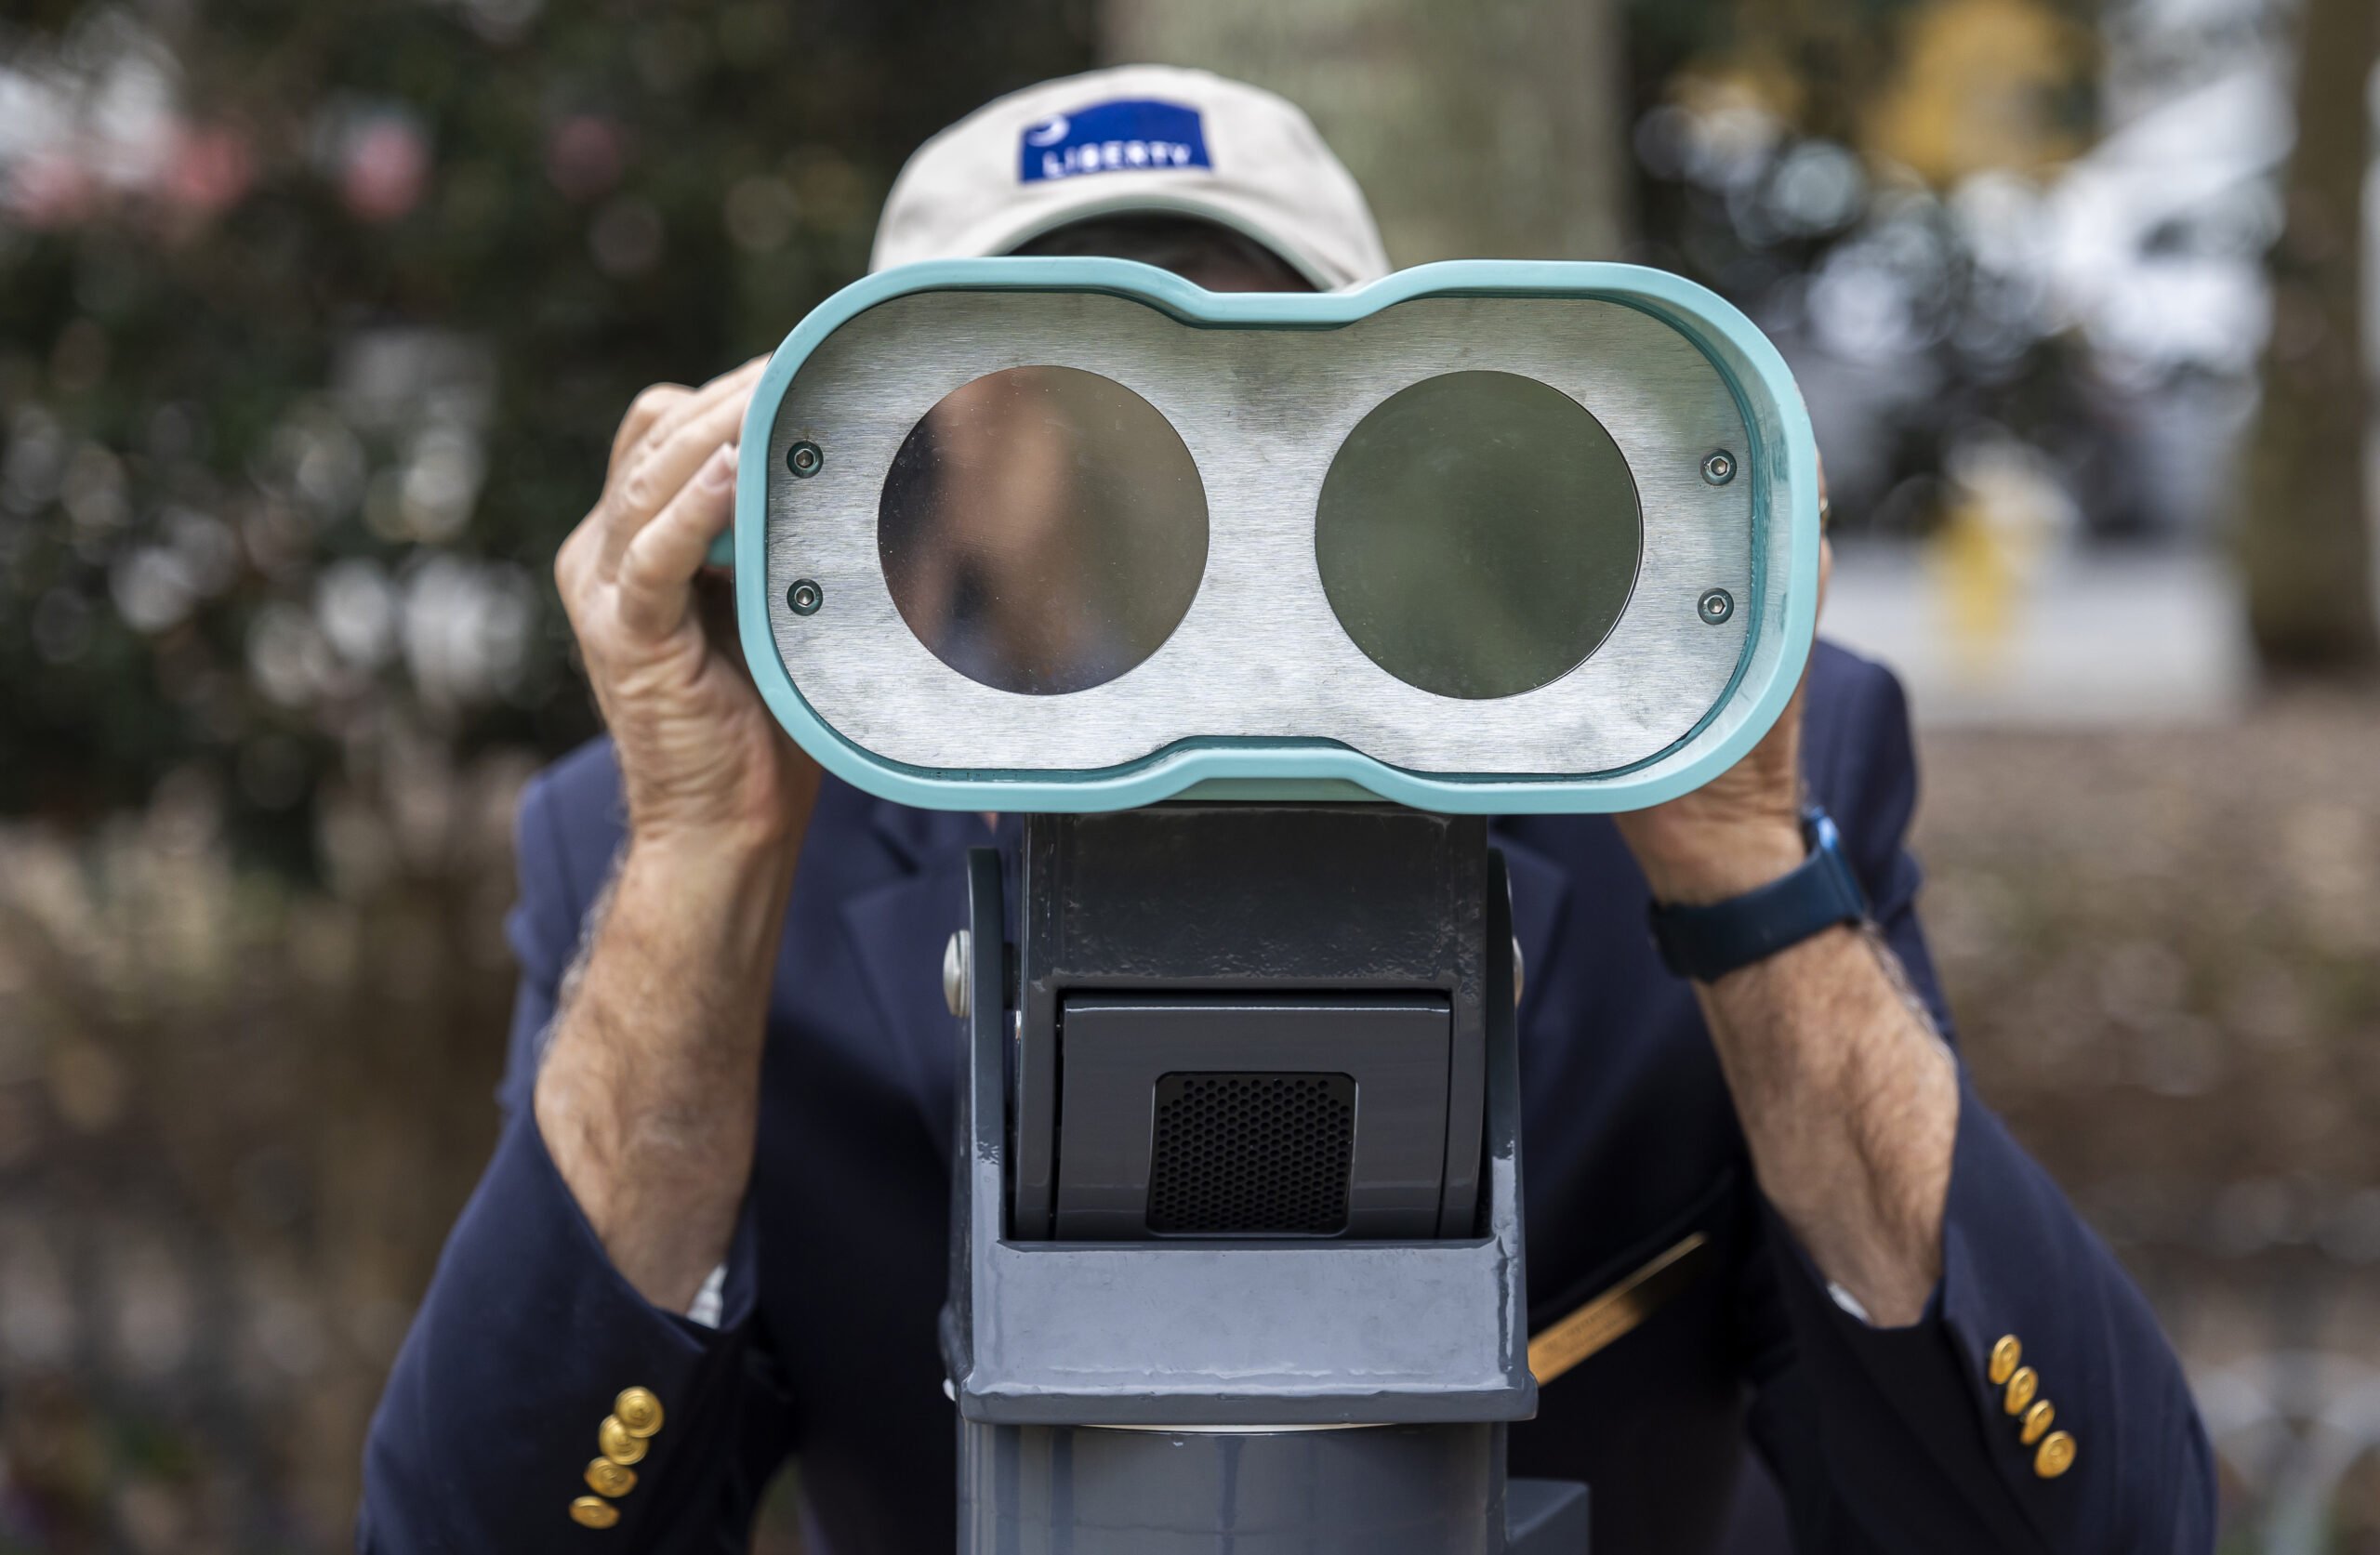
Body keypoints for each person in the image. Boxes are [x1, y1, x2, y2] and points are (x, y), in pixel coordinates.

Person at [357, 65, 2215, 1554]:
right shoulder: (697, 850)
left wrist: (1732, 865)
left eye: (1261, 378)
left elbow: (2095, 1523)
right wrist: (700, 852)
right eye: (1077, 370)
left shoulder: (1668, 765)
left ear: (1393, 429)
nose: (1180, 479)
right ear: (936, 452)